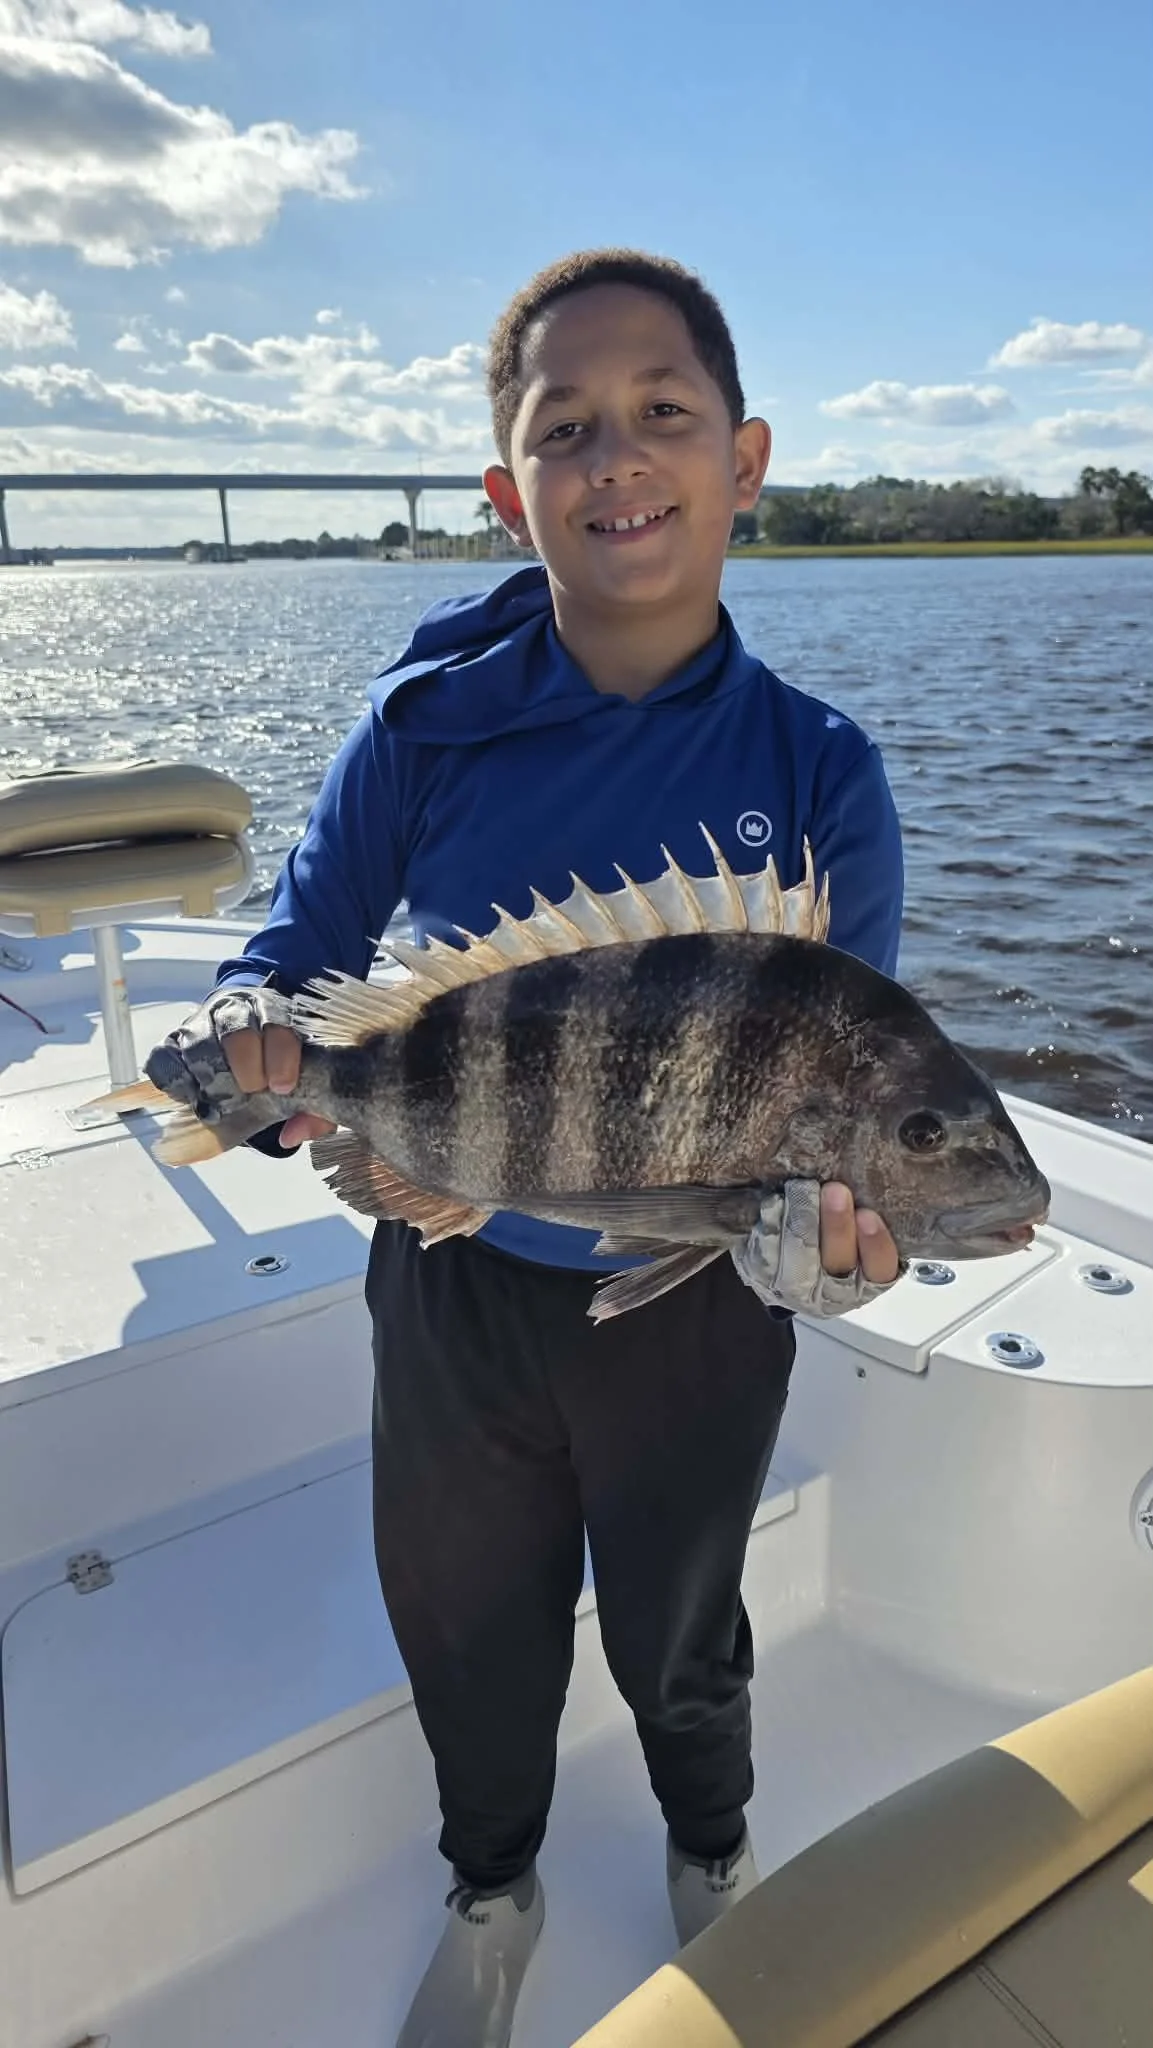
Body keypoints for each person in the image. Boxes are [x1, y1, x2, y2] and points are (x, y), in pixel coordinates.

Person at [150, 249, 906, 2047]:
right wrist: (256, 1041)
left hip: (699, 1302)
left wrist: (830, 1227)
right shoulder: (423, 727)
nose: (615, 456)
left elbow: (842, 1078)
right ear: (509, 493)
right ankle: (495, 1887)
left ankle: (711, 1849)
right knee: (468, 1620)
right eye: (565, 429)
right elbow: (296, 949)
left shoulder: (824, 775)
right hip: (458, 1268)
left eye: (664, 415)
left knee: (682, 1620)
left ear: (748, 460)